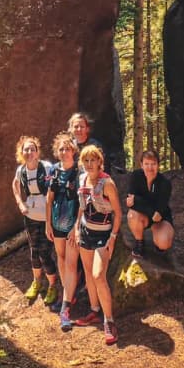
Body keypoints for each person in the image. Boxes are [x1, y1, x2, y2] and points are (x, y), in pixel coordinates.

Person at [75, 144, 122, 345]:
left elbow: (118, 213)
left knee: (98, 275)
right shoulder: (82, 179)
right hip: (86, 231)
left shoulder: (107, 183)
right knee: (87, 273)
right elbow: (81, 206)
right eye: (86, 160)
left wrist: (113, 237)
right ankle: (94, 310)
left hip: (103, 235)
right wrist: (76, 228)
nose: (89, 164)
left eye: (93, 160)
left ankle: (109, 320)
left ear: (99, 162)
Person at [12, 136, 58, 305]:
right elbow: (15, 185)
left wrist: (50, 219)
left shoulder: (46, 168)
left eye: (32, 149)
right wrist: (20, 203)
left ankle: (53, 285)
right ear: (21, 153)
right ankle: (37, 281)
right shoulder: (21, 170)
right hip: (30, 215)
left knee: (45, 252)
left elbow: (54, 190)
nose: (29, 152)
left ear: (37, 152)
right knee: (34, 250)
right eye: (26, 149)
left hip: (47, 216)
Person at [44, 134, 81, 327]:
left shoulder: (79, 171)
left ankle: (65, 307)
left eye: (67, 149)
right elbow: (49, 200)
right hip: (57, 223)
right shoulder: (55, 172)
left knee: (71, 263)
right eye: (61, 149)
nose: (64, 152)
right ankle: (68, 292)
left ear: (73, 151)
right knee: (61, 257)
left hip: (73, 225)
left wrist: (76, 228)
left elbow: (83, 202)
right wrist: (47, 224)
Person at [125, 149, 174, 258]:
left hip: (160, 219)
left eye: (153, 164)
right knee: (132, 215)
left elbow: (159, 212)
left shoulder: (165, 183)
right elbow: (129, 202)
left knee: (163, 244)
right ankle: (139, 242)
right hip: (145, 215)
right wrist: (149, 209)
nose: (150, 168)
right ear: (141, 165)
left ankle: (157, 239)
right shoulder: (136, 176)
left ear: (158, 165)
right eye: (146, 164)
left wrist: (137, 201)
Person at [69, 112, 123, 176]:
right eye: (76, 126)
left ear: (87, 129)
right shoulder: (69, 146)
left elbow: (103, 167)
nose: (79, 129)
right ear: (71, 129)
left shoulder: (95, 146)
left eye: (82, 127)